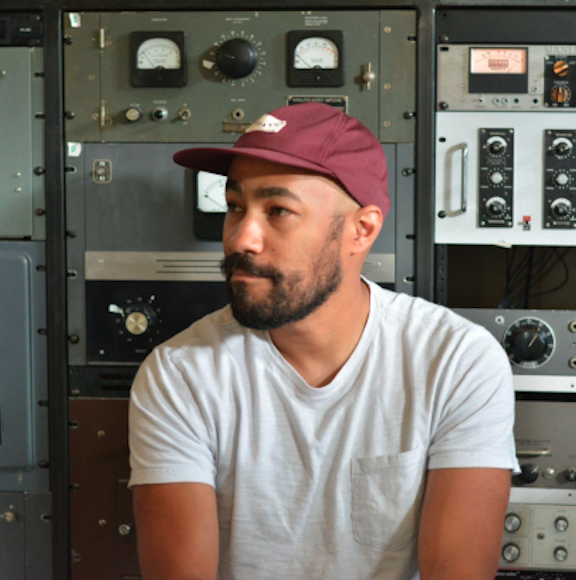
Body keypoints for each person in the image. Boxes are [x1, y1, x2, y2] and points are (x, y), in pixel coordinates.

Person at [128, 102, 519, 580]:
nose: (241, 239)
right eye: (235, 207)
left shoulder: (456, 361)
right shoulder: (179, 374)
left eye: (278, 211)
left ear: (361, 230)